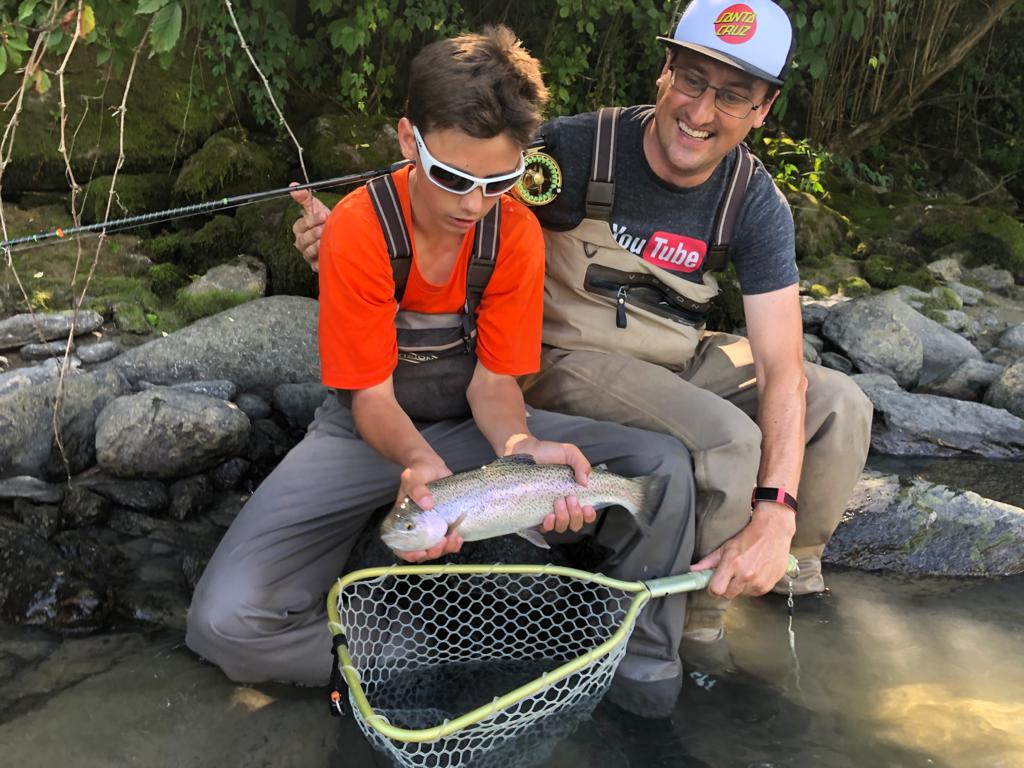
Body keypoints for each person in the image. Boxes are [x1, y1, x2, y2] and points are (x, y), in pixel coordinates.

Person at [291, 0, 873, 672]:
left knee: (841, 407)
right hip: (566, 359)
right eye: (691, 80)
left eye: (733, 95)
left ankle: (779, 565)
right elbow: (447, 168)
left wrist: (775, 512)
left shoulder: (756, 202)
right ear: (664, 70)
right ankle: (698, 621)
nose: (702, 112)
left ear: (764, 107)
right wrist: (346, 235)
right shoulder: (572, 147)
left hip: (677, 361)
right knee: (729, 439)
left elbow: (782, 365)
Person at [187, 25, 697, 719]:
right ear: (408, 141)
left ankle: (630, 659)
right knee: (221, 623)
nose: (472, 203)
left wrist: (521, 452)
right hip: (364, 433)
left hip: (475, 431)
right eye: (454, 177)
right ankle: (409, 653)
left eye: (499, 181)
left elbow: (494, 384)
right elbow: (368, 397)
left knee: (661, 463)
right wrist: (423, 469)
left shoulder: (513, 232)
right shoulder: (359, 231)